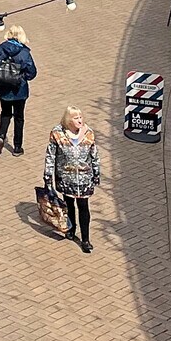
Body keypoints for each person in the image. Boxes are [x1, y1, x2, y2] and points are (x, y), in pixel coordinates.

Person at [44, 107, 104, 252]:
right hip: (66, 178)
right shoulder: (57, 133)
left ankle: (85, 239)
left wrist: (96, 172)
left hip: (84, 179)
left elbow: (94, 154)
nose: (80, 120)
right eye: (76, 118)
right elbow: (51, 155)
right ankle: (71, 228)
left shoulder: (89, 133)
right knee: (69, 204)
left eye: (80, 117)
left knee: (83, 207)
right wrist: (47, 175)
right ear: (68, 120)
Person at [0, 29, 37, 155]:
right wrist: (22, 77)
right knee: (19, 117)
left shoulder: (0, 49)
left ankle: (1, 135)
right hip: (19, 90)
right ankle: (17, 147)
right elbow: (32, 72)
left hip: (3, 88)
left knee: (5, 113)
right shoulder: (24, 52)